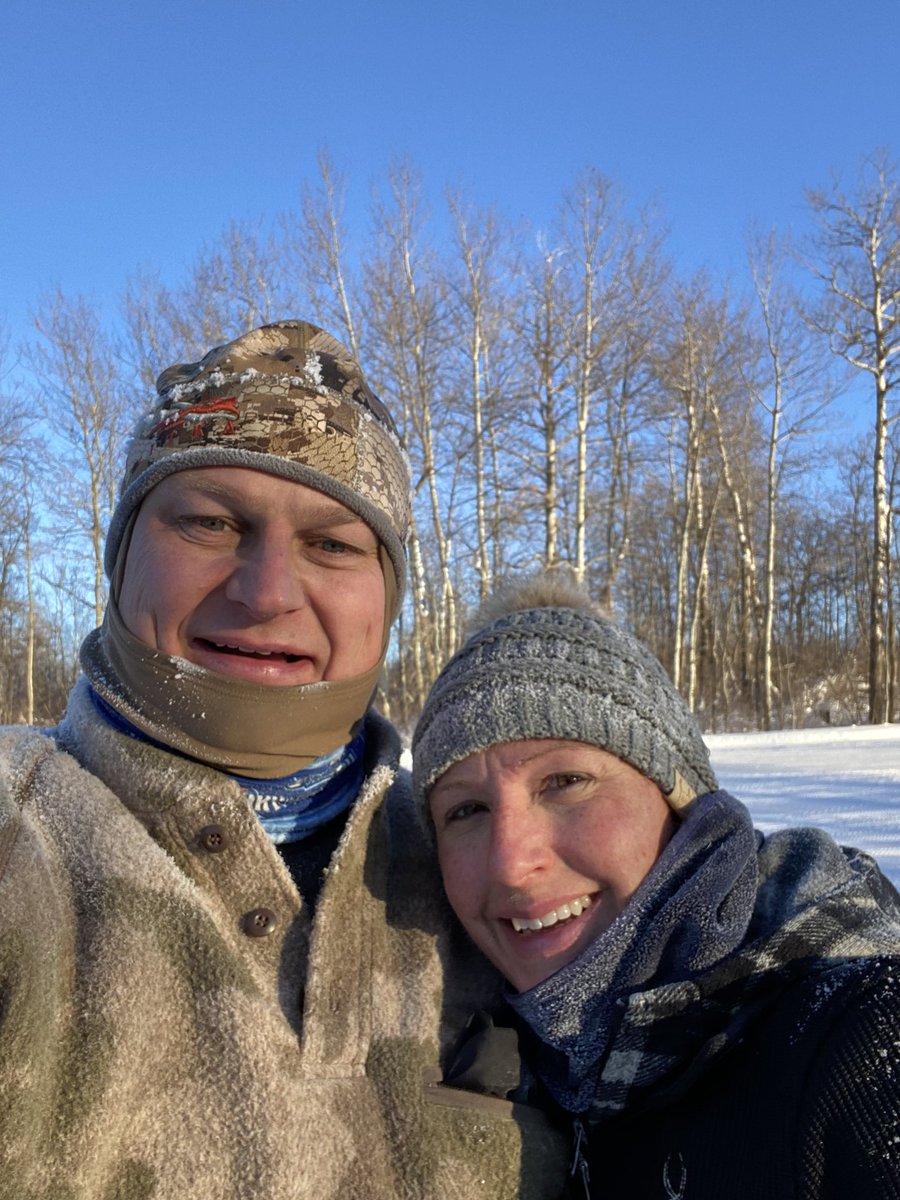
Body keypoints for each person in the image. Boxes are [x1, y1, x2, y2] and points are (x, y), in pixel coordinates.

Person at [0, 322, 569, 1200]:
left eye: (333, 544)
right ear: (118, 560)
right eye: (210, 522)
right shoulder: (18, 835)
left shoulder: (489, 863)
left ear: (387, 602)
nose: (265, 592)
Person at [412, 571, 900, 1199]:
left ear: (679, 796)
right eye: (466, 811)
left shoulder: (854, 1037)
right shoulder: (502, 1055)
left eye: (564, 782)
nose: (511, 863)